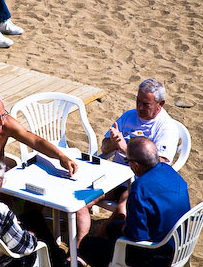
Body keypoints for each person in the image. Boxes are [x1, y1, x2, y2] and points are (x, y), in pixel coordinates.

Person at [76, 78, 179, 248]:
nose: (139, 107)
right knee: (80, 203)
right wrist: (113, 142)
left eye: (146, 104)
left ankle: (93, 246)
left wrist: (126, 149)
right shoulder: (128, 116)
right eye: (137, 101)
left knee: (122, 210)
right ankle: (80, 248)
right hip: (114, 176)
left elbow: (159, 166)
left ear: (161, 104)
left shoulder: (166, 128)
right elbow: (105, 146)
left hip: (139, 182)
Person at [79, 137, 190, 267]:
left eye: (127, 161)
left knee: (87, 245)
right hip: (181, 244)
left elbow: (136, 236)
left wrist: (125, 227)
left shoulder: (140, 189)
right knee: (112, 228)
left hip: (157, 255)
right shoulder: (169, 171)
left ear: (136, 165)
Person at [0, 91, 78, 193]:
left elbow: (35, 141)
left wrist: (61, 156)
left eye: (3, 115)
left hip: (1, 178)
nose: (2, 122)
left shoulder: (5, 124)